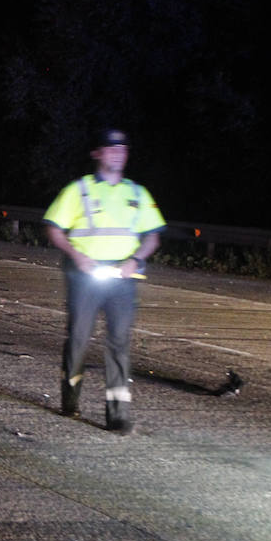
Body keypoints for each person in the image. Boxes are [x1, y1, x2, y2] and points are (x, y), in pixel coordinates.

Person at [43, 128, 166, 434]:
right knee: (79, 338)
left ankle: (118, 414)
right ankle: (70, 398)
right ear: (97, 153)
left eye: (122, 149)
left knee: (119, 342)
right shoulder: (79, 190)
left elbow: (153, 236)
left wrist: (136, 259)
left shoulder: (137, 193)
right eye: (111, 149)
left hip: (122, 279)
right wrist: (77, 255)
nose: (118, 154)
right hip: (85, 277)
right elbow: (54, 228)